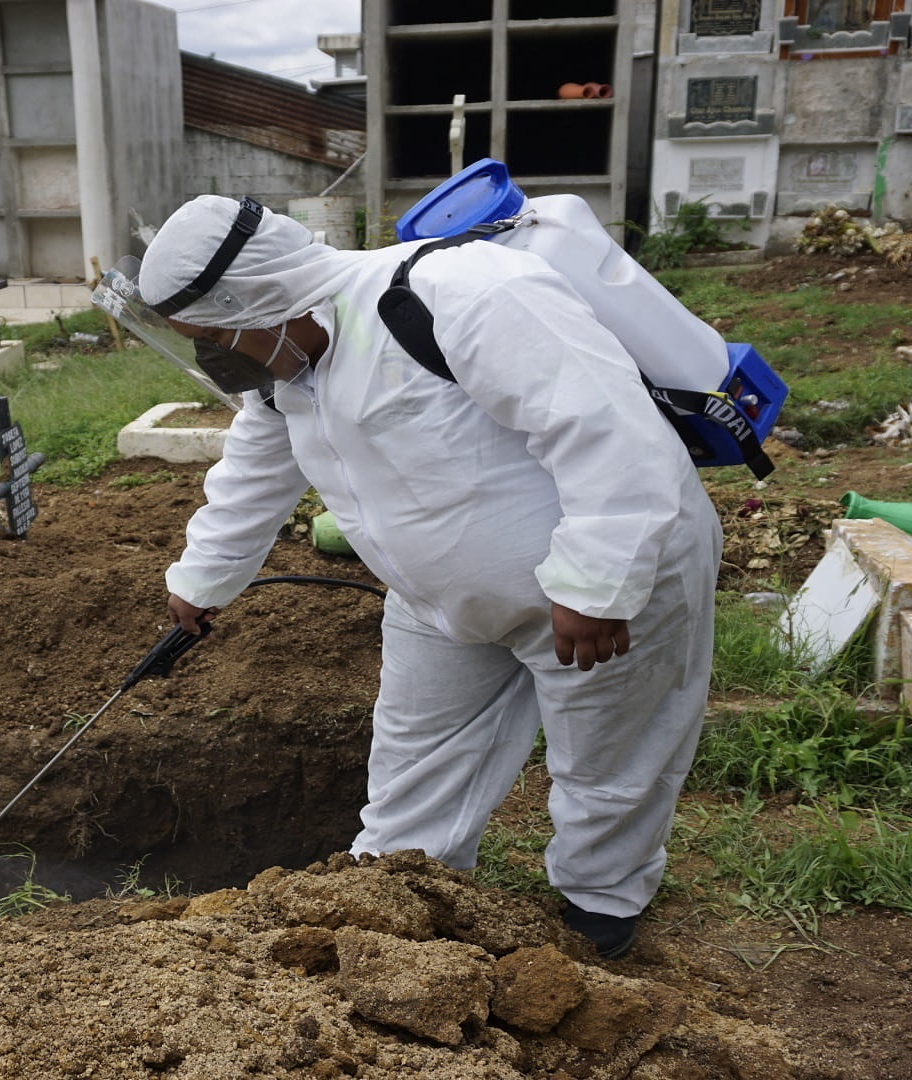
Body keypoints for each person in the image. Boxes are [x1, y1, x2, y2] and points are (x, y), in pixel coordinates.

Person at [136, 195, 722, 959]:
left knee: (611, 759)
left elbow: (605, 427)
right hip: (437, 604)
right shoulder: (285, 371)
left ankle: (599, 908)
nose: (215, 358)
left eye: (213, 336)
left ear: (260, 298)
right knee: (415, 758)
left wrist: (597, 584)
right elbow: (254, 470)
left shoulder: (460, 292)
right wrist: (204, 578)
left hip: (598, 588)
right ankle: (398, 900)